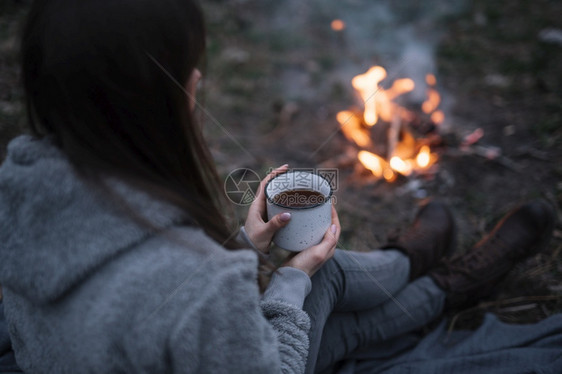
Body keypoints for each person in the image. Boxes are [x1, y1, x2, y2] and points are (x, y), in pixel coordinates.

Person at [0, 0, 556, 373]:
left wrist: (245, 247)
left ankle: (419, 261)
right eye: (192, 71)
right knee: (327, 278)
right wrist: (292, 277)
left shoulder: (19, 196)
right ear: (171, 95)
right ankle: (437, 269)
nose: (197, 81)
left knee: (332, 302)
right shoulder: (201, 288)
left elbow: (145, 285)